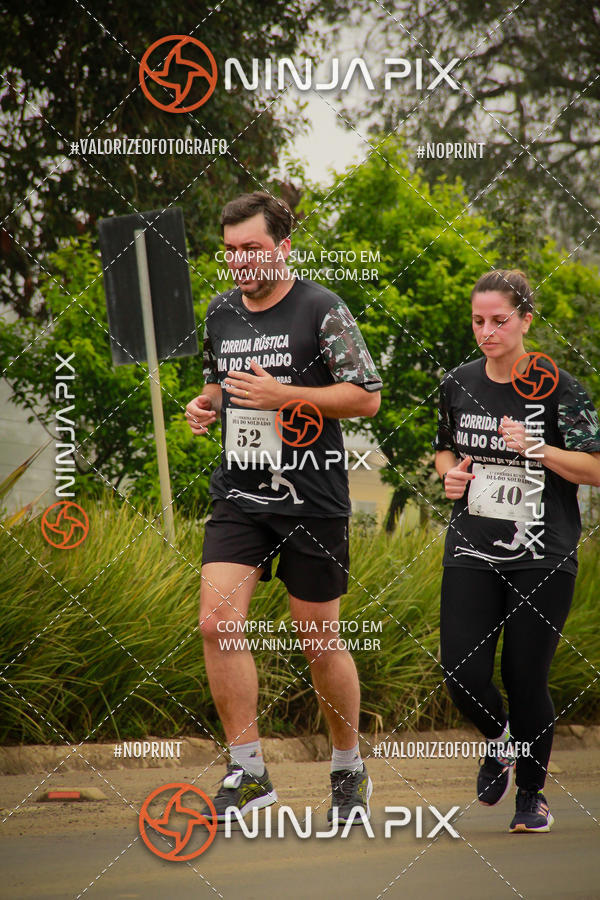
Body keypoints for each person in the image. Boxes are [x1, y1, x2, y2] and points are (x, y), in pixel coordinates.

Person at [185, 191, 382, 824]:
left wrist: (282, 394)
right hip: (240, 494)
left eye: (254, 249)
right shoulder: (219, 313)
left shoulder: (322, 309)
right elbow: (221, 381)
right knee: (218, 622)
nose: (241, 261)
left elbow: (365, 397)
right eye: (231, 251)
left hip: (312, 496)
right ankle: (249, 770)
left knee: (319, 641)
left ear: (284, 248)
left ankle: (348, 766)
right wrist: (207, 403)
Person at [434, 269, 600, 833]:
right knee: (460, 668)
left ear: (526, 319)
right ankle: (502, 741)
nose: (487, 331)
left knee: (524, 676)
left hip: (542, 552)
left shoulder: (560, 387)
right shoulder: (457, 383)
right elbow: (445, 454)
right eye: (478, 321)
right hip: (472, 545)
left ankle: (532, 794)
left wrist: (540, 448)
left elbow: (595, 468)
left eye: (499, 320)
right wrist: (451, 477)